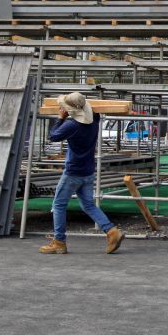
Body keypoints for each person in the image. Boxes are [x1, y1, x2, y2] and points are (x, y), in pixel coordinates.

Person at [39, 92, 125, 254]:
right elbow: (93, 111)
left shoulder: (72, 125)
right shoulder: (94, 121)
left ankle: (59, 242)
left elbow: (53, 136)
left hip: (73, 171)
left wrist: (60, 118)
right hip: (87, 170)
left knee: (58, 205)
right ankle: (111, 231)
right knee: (88, 204)